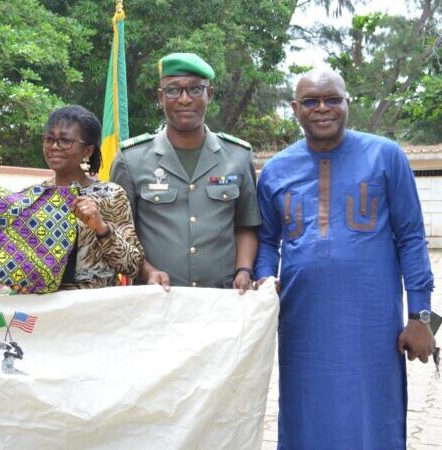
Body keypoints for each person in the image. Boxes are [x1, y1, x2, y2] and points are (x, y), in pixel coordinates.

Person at [254, 68, 436, 449]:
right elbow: (267, 241)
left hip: (372, 325)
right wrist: (264, 279)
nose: (323, 108)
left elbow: (412, 238)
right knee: (305, 414)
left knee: (374, 416)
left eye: (332, 99)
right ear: (295, 109)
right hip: (303, 324)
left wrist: (423, 320)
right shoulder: (274, 170)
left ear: (347, 103)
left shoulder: (386, 156)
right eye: (311, 101)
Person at [110, 52, 261, 292]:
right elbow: (119, 235)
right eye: (173, 90)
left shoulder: (238, 156)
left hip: (221, 301)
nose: (184, 99)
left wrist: (244, 270)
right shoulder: (131, 159)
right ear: (160, 97)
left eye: (195, 89)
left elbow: (247, 225)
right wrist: (147, 271)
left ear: (209, 94)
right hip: (156, 301)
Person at [41, 105, 144, 289]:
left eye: (65, 140)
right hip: (48, 312)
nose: (54, 147)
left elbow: (133, 266)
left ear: (87, 151)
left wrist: (101, 228)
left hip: (96, 309)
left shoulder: (112, 195)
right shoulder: (35, 197)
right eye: (50, 139)